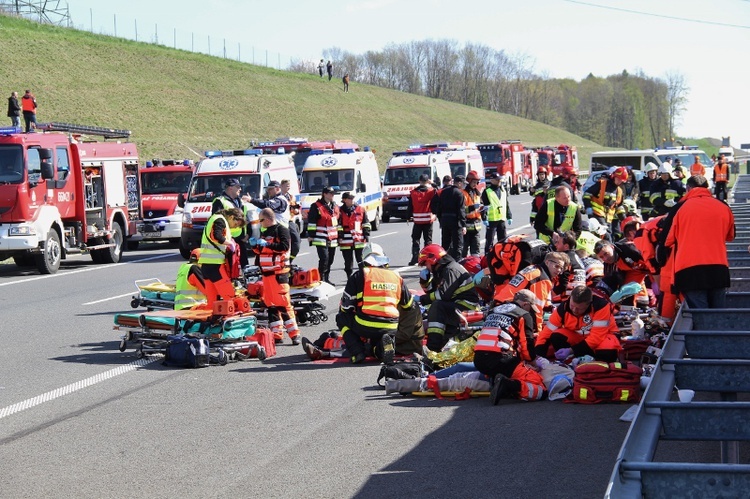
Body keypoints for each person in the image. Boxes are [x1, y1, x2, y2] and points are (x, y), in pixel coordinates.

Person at [665, 175, 735, 309]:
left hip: (689, 270)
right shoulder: (723, 206)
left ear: (688, 188)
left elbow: (668, 240)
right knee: (719, 314)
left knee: (700, 317)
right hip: (719, 268)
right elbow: (730, 236)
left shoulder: (681, 208)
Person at [337, 244, 414, 364]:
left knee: (341, 318)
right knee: (380, 339)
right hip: (391, 326)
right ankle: (381, 351)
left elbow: (346, 307)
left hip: (365, 324)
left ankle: (357, 352)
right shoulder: (396, 276)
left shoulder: (359, 275)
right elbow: (409, 305)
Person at [474, 290, 546, 404]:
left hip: (479, 360)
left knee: (507, 366)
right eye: (530, 308)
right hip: (501, 360)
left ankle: (499, 383)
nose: (530, 311)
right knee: (540, 387)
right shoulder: (523, 315)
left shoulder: (493, 311)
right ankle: (508, 386)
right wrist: (532, 362)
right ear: (525, 304)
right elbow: (527, 345)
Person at [417, 244, 480, 352]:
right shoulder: (442, 270)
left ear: (432, 260)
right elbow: (432, 292)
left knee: (437, 307)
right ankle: (441, 344)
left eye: (425, 263)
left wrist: (420, 299)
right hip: (457, 304)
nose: (426, 267)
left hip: (465, 306)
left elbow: (441, 295)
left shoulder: (451, 270)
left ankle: (433, 347)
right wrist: (424, 281)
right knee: (435, 307)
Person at [251, 207, 301, 345]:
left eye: (261, 220)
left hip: (279, 274)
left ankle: (294, 333)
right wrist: (255, 246)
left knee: (283, 304)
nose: (260, 223)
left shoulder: (281, 230)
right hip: (266, 274)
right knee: (270, 305)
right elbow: (262, 251)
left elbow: (284, 247)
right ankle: (277, 334)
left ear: (267, 219)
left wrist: (266, 244)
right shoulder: (264, 232)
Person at [535, 285, 621, 363]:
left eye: (579, 308)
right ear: (570, 298)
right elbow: (545, 334)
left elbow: (597, 337)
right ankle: (571, 362)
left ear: (588, 304)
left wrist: (571, 350)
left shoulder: (600, 306)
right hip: (581, 338)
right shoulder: (563, 309)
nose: (574, 310)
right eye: (572, 306)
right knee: (556, 336)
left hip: (604, 337)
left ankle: (594, 363)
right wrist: (538, 357)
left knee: (607, 351)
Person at [493, 251, 569, 332]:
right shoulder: (542, 278)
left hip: (499, 304)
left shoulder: (533, 268)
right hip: (509, 310)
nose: (559, 270)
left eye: (561, 268)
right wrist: (537, 332)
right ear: (547, 262)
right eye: (557, 266)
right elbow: (537, 309)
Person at [198, 207, 245, 305]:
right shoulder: (220, 220)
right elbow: (216, 236)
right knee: (229, 296)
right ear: (232, 217)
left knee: (213, 300)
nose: (234, 227)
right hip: (215, 266)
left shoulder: (214, 219)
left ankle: (213, 318)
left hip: (206, 265)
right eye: (236, 224)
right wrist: (229, 243)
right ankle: (231, 318)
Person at [212, 178, 250, 268]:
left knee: (245, 266)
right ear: (230, 188)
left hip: (240, 239)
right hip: (228, 240)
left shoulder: (240, 201)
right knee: (230, 266)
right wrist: (225, 240)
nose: (240, 189)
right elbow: (217, 221)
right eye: (238, 187)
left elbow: (245, 218)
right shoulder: (220, 201)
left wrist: (248, 234)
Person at [307, 186, 339, 284]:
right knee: (324, 258)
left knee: (330, 259)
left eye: (333, 194)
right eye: (330, 193)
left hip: (332, 238)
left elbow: (339, 221)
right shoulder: (316, 206)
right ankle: (321, 278)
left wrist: (340, 235)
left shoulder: (335, 206)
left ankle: (326, 278)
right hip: (320, 237)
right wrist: (311, 235)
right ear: (324, 194)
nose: (332, 195)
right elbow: (312, 222)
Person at [583, 166, 627, 232]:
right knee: (605, 235)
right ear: (614, 176)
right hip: (596, 214)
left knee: (607, 236)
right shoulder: (602, 184)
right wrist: (588, 207)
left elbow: (619, 206)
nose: (619, 181)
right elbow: (586, 195)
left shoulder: (619, 191)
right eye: (618, 179)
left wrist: (624, 219)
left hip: (608, 218)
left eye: (621, 180)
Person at [407, 173, 437, 265]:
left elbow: (410, 206)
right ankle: (427, 258)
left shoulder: (413, 193)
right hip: (428, 219)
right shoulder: (431, 191)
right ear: (428, 181)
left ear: (419, 181)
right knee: (428, 240)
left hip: (417, 220)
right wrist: (433, 184)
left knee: (415, 239)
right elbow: (439, 192)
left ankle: (415, 258)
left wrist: (408, 216)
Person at [338, 191, 370, 277]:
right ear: (344, 200)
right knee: (348, 262)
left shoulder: (361, 209)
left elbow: (366, 223)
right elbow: (338, 225)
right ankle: (350, 277)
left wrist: (366, 234)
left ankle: (363, 277)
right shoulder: (339, 211)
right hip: (345, 240)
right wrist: (340, 236)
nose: (352, 200)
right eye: (349, 198)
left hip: (358, 240)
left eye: (352, 198)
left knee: (361, 260)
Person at [435, 175, 466, 260]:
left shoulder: (444, 192)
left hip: (445, 220)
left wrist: (441, 220)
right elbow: (461, 210)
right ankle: (457, 262)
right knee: (458, 245)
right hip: (455, 221)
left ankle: (443, 261)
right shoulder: (459, 193)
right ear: (459, 183)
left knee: (445, 244)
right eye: (463, 184)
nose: (463, 186)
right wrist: (463, 224)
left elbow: (439, 208)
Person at [481, 171, 512, 254]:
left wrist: (509, 216)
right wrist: (484, 218)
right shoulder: (487, 191)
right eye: (497, 180)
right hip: (491, 220)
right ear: (491, 180)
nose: (499, 181)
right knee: (490, 240)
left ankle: (502, 254)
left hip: (501, 219)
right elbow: (483, 206)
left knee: (503, 239)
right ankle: (487, 256)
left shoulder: (503, 190)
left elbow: (506, 204)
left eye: (499, 180)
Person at [462, 171, 483, 257]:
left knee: (476, 251)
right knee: (463, 250)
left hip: (476, 227)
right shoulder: (463, 193)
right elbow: (462, 210)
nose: (475, 184)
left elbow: (481, 205)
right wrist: (472, 208)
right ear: (469, 181)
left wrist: (483, 210)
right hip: (466, 227)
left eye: (477, 182)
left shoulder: (477, 193)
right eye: (474, 182)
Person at [280, 179, 301, 260]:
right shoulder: (278, 197)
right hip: (282, 222)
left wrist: (296, 211)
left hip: (290, 221)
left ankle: (290, 260)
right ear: (281, 186)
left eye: (289, 185)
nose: (288, 187)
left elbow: (295, 208)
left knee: (296, 242)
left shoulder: (291, 197)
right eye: (286, 185)